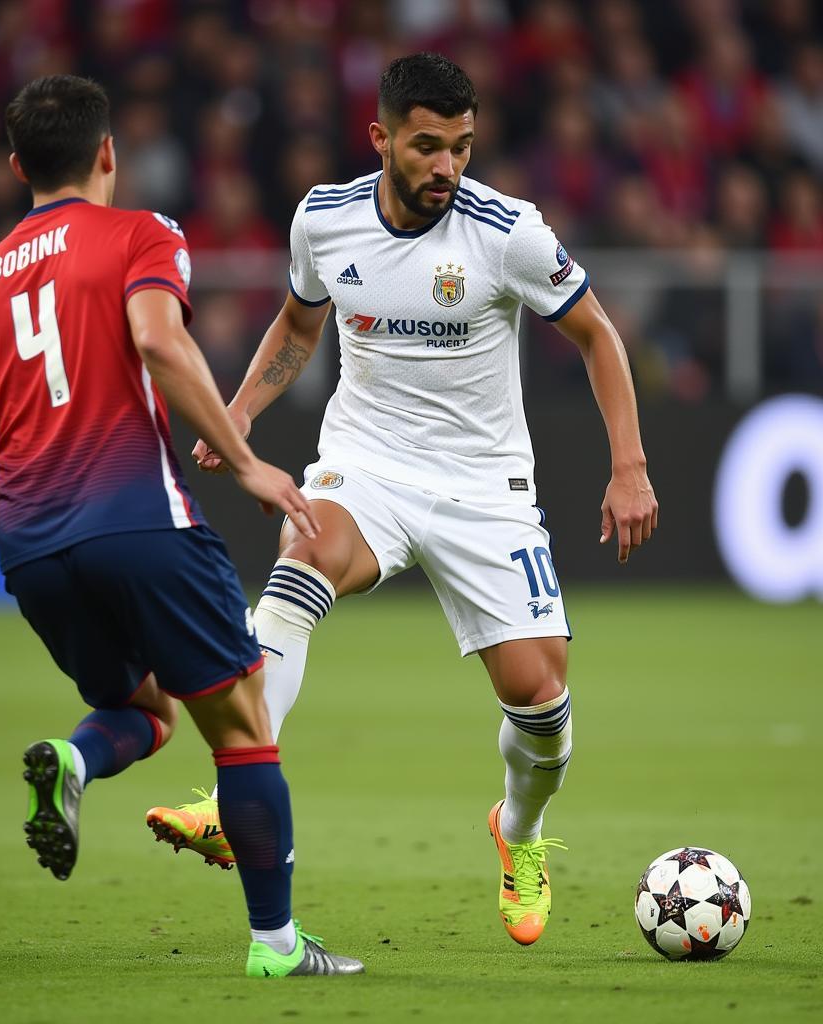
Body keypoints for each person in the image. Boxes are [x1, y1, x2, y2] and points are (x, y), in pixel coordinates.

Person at [146, 53, 658, 948]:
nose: (446, 169)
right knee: (299, 563)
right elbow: (301, 324)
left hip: (485, 488)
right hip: (366, 464)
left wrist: (629, 465)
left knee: (540, 704)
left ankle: (519, 832)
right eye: (427, 147)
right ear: (381, 138)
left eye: (461, 148)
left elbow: (597, 335)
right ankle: (236, 795)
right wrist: (239, 414)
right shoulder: (325, 219)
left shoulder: (510, 233)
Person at [0, 74, 362, 979]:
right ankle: (276, 947)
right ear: (108, 154)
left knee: (143, 706)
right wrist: (248, 459)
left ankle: (72, 758)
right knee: (244, 724)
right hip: (140, 520)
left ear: (16, 166)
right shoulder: (143, 233)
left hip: (30, 550)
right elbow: (157, 339)